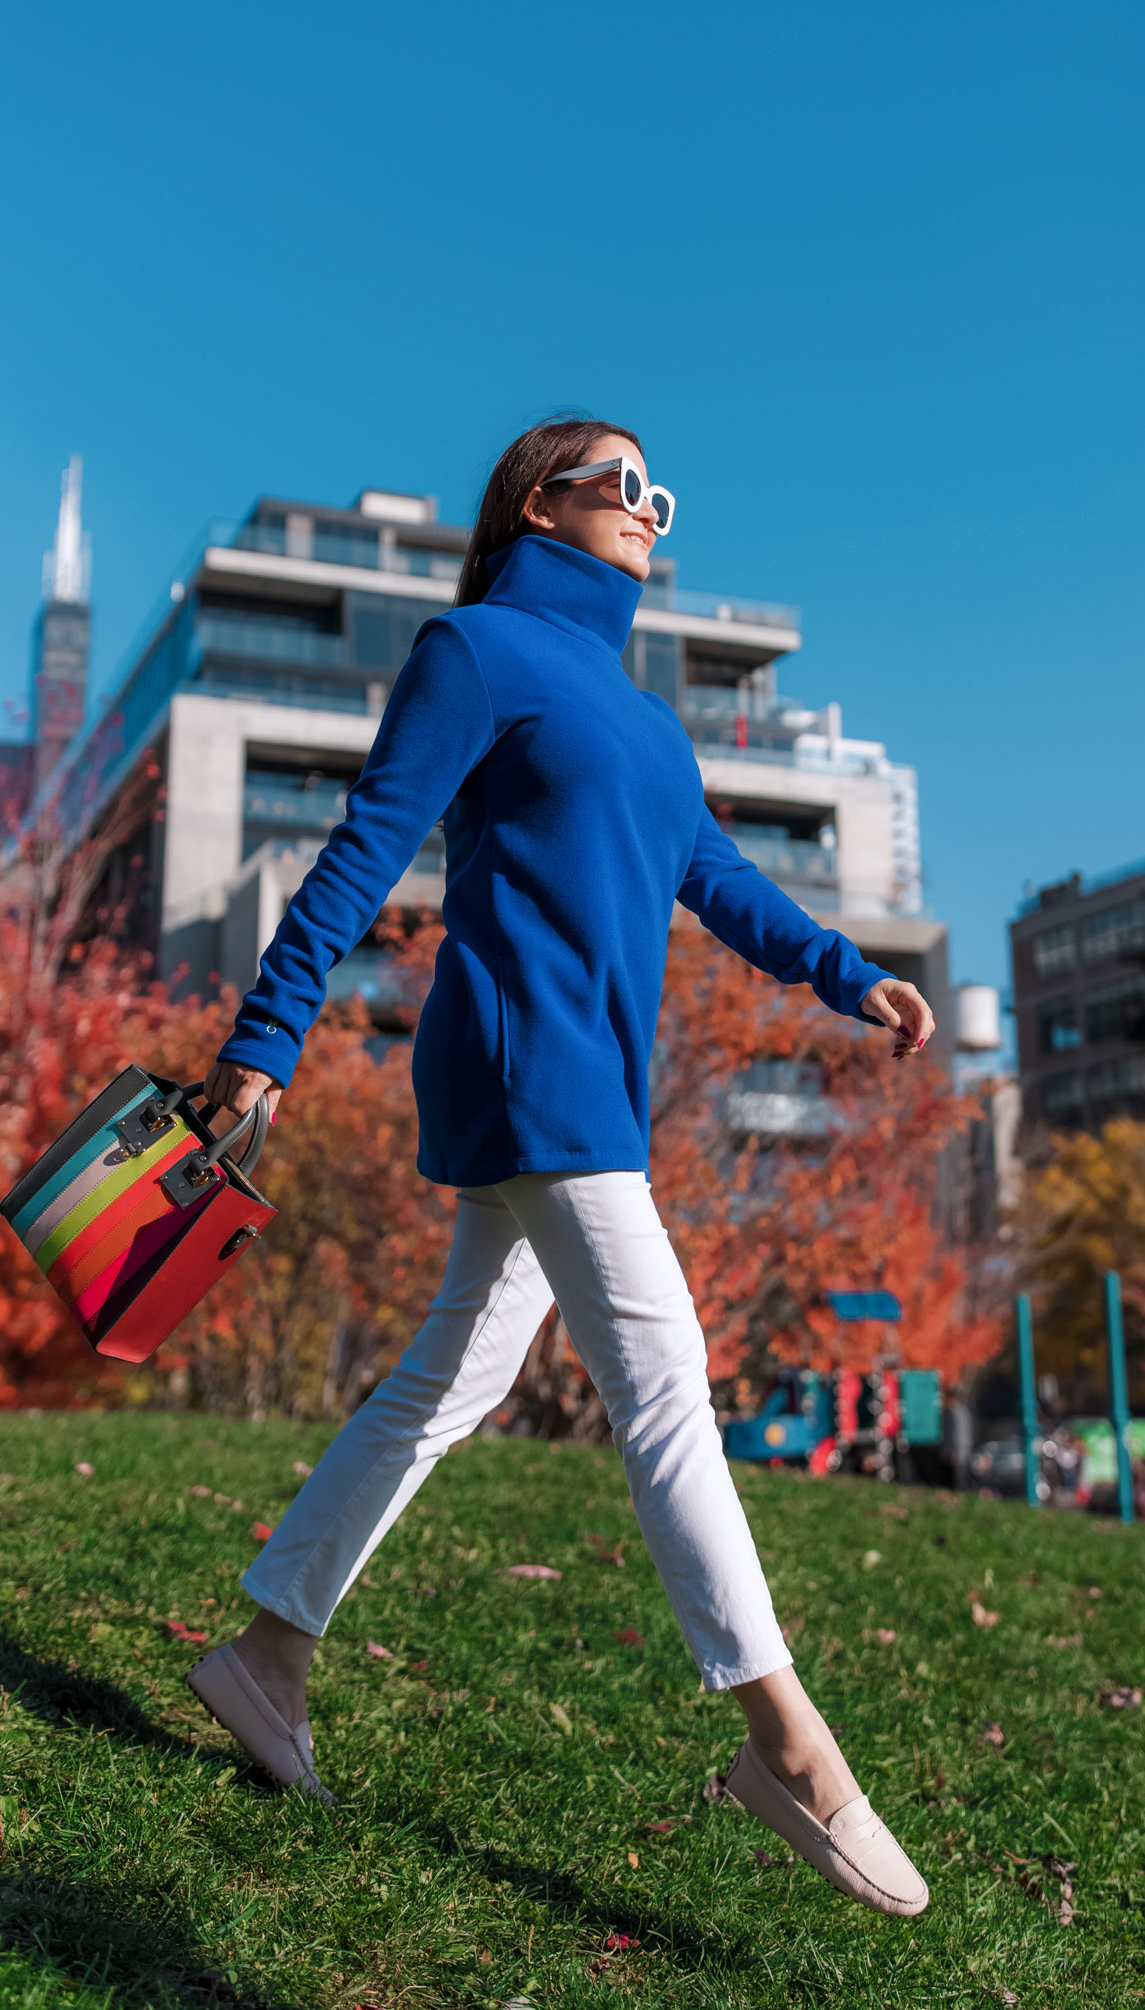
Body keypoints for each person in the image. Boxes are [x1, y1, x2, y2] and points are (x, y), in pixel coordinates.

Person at [187, 418, 936, 1917]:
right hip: (527, 1064)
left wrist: (848, 975)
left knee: (455, 1371)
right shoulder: (476, 652)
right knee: (662, 1368)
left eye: (664, 496)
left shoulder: (647, 721)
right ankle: (785, 1740)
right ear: (544, 502)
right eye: (624, 487)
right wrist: (265, 1036)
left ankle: (270, 1651)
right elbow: (361, 847)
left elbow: (711, 877)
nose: (651, 514)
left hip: (596, 1083)